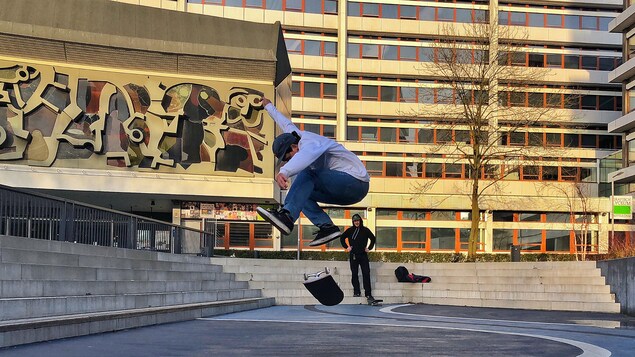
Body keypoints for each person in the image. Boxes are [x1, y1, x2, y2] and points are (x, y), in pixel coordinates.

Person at [256, 97, 370, 246]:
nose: (290, 161)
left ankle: (287, 216)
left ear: (294, 147)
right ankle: (327, 227)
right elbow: (285, 123)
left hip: (355, 182)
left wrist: (284, 172)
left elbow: (304, 156)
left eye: (289, 157)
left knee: (306, 175)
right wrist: (268, 106)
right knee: (302, 192)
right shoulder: (294, 136)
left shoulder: (309, 143)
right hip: (344, 191)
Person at [340, 214, 377, 302]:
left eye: (358, 221)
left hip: (363, 255)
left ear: (360, 221)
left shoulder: (365, 230)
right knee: (354, 274)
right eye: (355, 221)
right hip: (353, 255)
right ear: (353, 222)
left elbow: (373, 238)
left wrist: (369, 248)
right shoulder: (350, 230)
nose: (356, 222)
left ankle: (368, 293)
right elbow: (342, 238)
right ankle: (357, 292)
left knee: (366, 273)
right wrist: (346, 247)